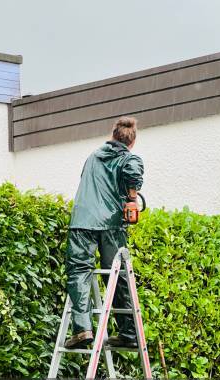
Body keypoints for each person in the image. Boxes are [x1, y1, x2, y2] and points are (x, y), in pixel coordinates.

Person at [65, 116, 144, 349]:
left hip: (81, 221)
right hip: (110, 224)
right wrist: (131, 198)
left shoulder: (93, 156)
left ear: (112, 135)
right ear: (132, 141)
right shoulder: (128, 157)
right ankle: (129, 333)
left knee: (79, 271)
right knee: (117, 275)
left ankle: (82, 329)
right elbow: (133, 169)